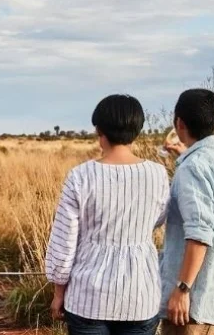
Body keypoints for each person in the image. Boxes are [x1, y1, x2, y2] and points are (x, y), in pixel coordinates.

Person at [45, 94, 171, 335]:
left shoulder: (80, 176)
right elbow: (158, 218)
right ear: (137, 130)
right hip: (140, 295)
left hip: (88, 297)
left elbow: (64, 241)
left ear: (99, 130)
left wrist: (59, 292)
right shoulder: (158, 174)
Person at [160, 89, 214, 335]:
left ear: (179, 123)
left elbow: (199, 233)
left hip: (195, 303)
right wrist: (184, 154)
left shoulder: (193, 167)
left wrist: (182, 288)